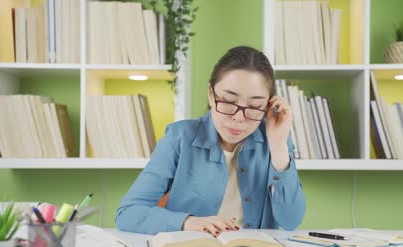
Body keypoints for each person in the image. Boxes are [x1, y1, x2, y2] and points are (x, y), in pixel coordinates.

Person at [115, 46, 306, 236]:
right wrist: (187, 222)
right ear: (210, 93)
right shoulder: (179, 137)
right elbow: (128, 212)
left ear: (268, 106)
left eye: (255, 106)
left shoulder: (276, 139)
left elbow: (291, 221)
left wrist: (279, 148)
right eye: (229, 102)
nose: (239, 118)